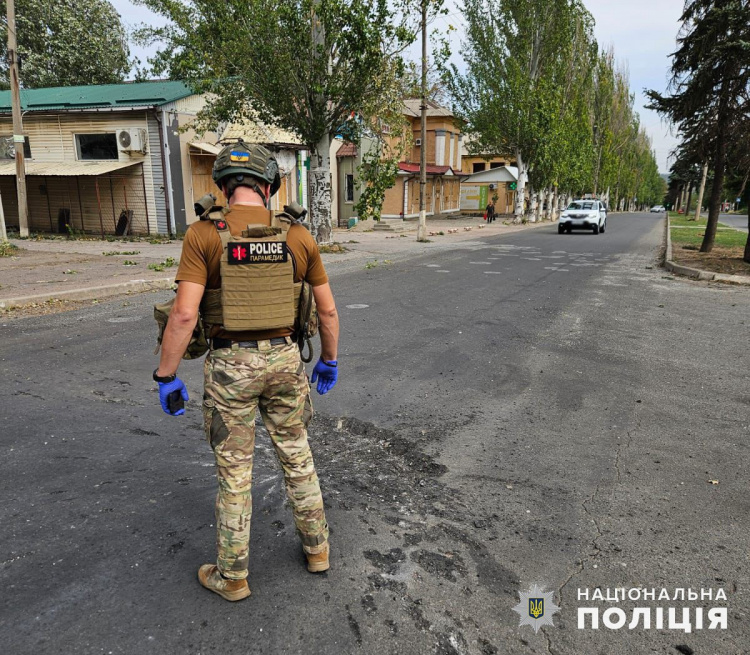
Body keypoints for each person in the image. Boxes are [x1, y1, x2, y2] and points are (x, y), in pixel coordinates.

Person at [153, 140, 340, 602]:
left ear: (221, 186)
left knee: (234, 473)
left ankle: (233, 577)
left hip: (229, 365)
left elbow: (182, 316)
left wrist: (166, 375)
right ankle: (318, 551)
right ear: (270, 185)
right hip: (284, 360)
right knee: (298, 456)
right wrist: (329, 360)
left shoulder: (203, 234)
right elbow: (328, 312)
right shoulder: (297, 236)